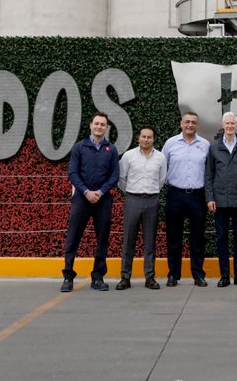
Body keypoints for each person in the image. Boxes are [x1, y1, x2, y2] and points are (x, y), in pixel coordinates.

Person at [61, 112, 120, 293]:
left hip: (103, 200)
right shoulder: (79, 147)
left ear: (106, 128)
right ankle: (68, 277)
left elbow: (115, 175)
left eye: (103, 124)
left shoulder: (111, 149)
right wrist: (86, 192)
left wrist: (100, 192)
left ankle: (98, 277)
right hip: (81, 198)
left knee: (102, 239)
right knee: (73, 238)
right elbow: (73, 173)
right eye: (97, 123)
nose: (99, 127)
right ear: (90, 125)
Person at [205, 110, 237, 287]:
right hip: (219, 202)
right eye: (227, 123)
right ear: (222, 126)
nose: (230, 126)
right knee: (221, 238)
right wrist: (209, 198)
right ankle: (224, 275)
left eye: (233, 123)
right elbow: (209, 176)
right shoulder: (214, 147)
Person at [162, 111, 211, 287]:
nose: (190, 125)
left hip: (197, 196)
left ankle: (198, 275)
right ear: (181, 124)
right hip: (175, 194)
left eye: (193, 122)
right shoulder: (170, 144)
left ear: (197, 126)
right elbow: (162, 167)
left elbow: (209, 172)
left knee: (198, 238)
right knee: (174, 237)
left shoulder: (205, 145)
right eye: (187, 122)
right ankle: (173, 274)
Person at [117, 125, 167, 291]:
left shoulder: (160, 157)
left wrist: (149, 192)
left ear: (154, 139)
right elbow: (121, 179)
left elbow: (161, 181)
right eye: (143, 136)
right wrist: (133, 191)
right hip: (132, 199)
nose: (146, 139)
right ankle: (125, 277)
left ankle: (150, 277)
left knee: (150, 241)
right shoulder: (128, 156)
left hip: (152, 201)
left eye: (149, 137)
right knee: (128, 240)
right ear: (138, 138)